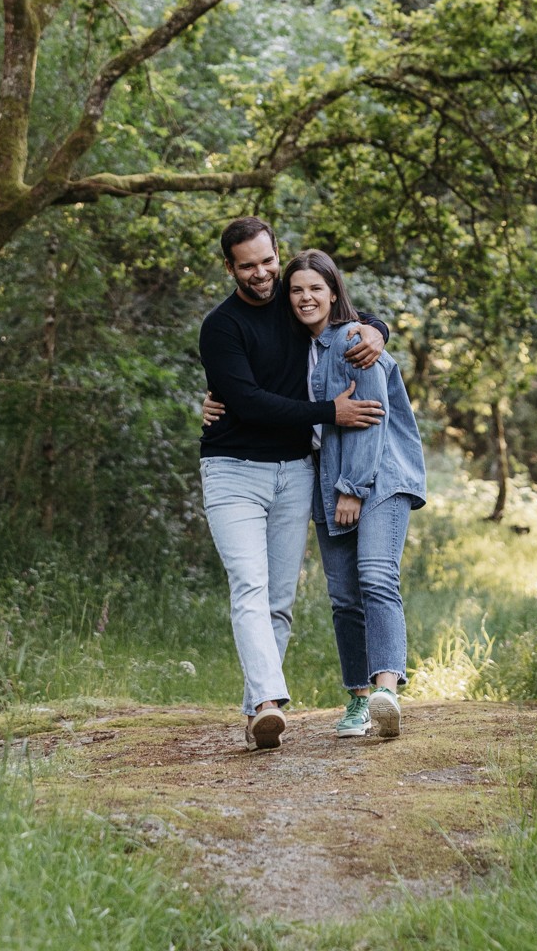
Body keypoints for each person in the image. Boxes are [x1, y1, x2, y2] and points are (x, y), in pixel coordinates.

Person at [199, 214, 389, 751]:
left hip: (294, 472)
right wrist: (331, 411)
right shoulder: (221, 326)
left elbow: (343, 310)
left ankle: (256, 714)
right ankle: (267, 704)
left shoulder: (291, 299)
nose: (261, 274)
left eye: (267, 261)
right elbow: (248, 402)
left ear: (276, 255)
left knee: (280, 600)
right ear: (230, 268)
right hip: (232, 470)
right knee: (250, 586)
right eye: (247, 266)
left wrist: (377, 329)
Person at [284, 248, 426, 739]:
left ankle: (386, 690)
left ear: (333, 292)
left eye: (315, 289)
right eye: (297, 290)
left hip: (377, 476)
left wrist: (352, 489)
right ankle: (358, 701)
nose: (306, 298)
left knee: (375, 576)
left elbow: (369, 415)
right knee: (343, 596)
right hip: (328, 479)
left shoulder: (352, 339)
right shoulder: (295, 348)